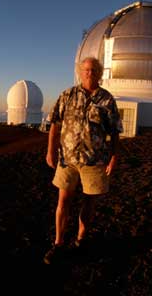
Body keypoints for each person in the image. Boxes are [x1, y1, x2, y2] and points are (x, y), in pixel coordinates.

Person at [43, 56, 123, 265]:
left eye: (93, 70)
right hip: (67, 160)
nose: (89, 73)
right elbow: (54, 125)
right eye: (86, 69)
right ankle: (58, 244)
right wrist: (50, 151)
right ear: (80, 71)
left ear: (99, 73)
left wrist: (114, 157)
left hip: (95, 161)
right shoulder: (67, 95)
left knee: (89, 202)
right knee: (63, 201)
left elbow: (115, 132)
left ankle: (81, 240)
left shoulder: (107, 100)